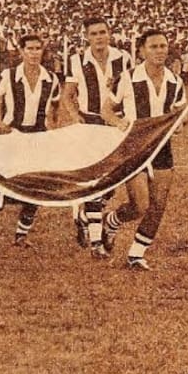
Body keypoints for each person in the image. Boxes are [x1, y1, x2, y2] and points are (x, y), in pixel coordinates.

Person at [100, 29, 187, 270]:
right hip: (134, 148)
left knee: (159, 204)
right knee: (140, 205)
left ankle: (136, 254)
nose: (160, 51)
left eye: (163, 46)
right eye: (154, 46)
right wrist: (119, 122)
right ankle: (113, 220)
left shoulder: (175, 81)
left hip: (161, 147)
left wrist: (180, 123)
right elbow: (106, 110)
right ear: (141, 50)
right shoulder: (128, 78)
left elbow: (180, 115)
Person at [62, 16, 132, 256]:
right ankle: (96, 242)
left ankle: (84, 215)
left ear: (109, 33)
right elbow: (67, 95)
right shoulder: (77, 60)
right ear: (87, 37)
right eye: (94, 34)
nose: (99, 37)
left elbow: (128, 92)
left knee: (111, 180)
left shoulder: (123, 59)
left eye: (103, 32)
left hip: (115, 124)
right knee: (94, 180)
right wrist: (75, 116)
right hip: (90, 122)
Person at [0, 33, 61, 248]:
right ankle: (0, 195)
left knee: (37, 185)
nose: (34, 53)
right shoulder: (8, 75)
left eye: (38, 49)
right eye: (30, 49)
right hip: (13, 134)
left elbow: (55, 104)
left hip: (38, 134)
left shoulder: (51, 78)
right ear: (21, 51)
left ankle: (22, 233)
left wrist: (52, 125)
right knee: (9, 177)